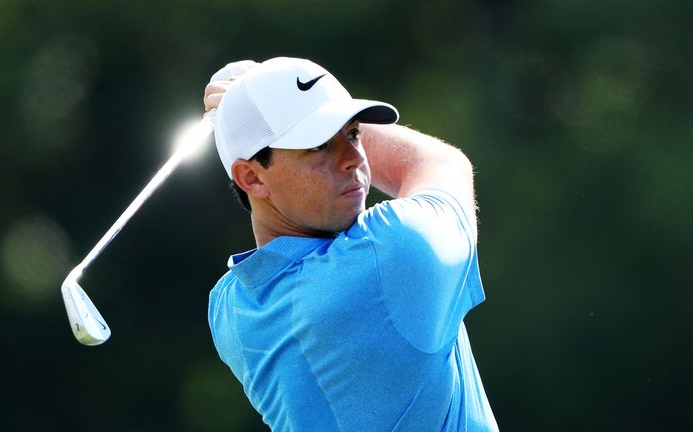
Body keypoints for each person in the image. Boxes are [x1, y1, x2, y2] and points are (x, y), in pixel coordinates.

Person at [204, 57, 499, 431]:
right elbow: (442, 162)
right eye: (317, 146)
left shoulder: (229, 309)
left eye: (353, 134)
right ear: (251, 177)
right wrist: (253, 94)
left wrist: (249, 112)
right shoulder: (391, 253)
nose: (354, 158)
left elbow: (271, 182)